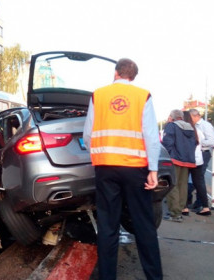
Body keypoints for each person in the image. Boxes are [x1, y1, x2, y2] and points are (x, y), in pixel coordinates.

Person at [83, 58, 162, 280]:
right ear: (133, 76)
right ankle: (154, 277)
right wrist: (153, 169)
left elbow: (88, 133)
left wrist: (97, 155)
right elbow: (151, 136)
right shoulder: (143, 95)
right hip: (135, 168)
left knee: (108, 226)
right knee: (144, 224)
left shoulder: (98, 94)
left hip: (105, 168)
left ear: (116, 72)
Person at [162, 109, 196, 222]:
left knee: (172, 185)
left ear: (172, 117)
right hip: (187, 160)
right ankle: (179, 210)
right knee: (183, 186)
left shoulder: (171, 126)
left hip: (174, 159)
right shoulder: (190, 127)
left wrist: (168, 155)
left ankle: (174, 213)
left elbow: (167, 142)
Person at [182, 111, 211, 216]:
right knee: (200, 183)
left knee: (183, 182)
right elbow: (202, 143)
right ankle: (205, 207)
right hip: (198, 160)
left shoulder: (181, 130)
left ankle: (184, 207)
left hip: (185, 160)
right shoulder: (197, 130)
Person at [188, 109, 214, 210]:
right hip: (197, 153)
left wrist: (197, 143)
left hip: (203, 153)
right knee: (197, 180)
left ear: (196, 116)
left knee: (198, 180)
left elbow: (211, 141)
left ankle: (201, 203)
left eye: (190, 118)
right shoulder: (194, 125)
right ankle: (199, 203)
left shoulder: (205, 125)